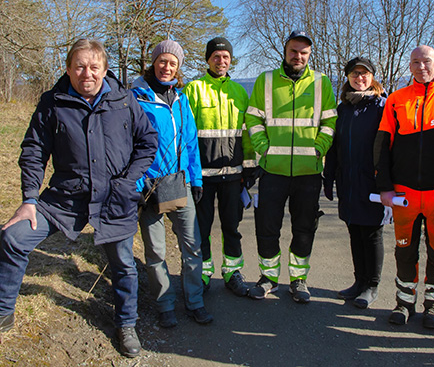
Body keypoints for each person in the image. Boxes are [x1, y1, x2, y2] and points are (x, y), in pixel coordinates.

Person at [0, 39, 158, 358]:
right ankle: (4, 313)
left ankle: (126, 323)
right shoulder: (52, 102)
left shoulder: (124, 100)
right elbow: (33, 151)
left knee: (124, 265)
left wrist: (128, 181)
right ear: (69, 69)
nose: (87, 73)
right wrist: (30, 198)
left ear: (104, 69)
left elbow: (148, 141)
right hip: (65, 200)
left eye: (94, 66)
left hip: (114, 199)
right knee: (12, 238)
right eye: (80, 66)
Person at [374, 45, 434, 329]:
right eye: (415, 62)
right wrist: (385, 187)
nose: (421, 67)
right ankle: (404, 303)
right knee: (404, 250)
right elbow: (381, 147)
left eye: (426, 61)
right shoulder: (396, 100)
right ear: (410, 66)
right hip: (403, 195)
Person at [245, 30, 337, 303]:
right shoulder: (266, 80)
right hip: (273, 171)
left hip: (308, 173)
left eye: (303, 52)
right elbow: (253, 118)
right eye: (294, 51)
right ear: (285, 52)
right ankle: (268, 278)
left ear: (310, 55)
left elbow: (330, 123)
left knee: (305, 228)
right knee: (267, 226)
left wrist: (318, 148)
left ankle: (299, 280)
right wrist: (264, 148)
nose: (298, 56)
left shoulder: (322, 82)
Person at [131, 40, 213, 328]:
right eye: (162, 61)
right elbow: (127, 145)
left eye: (173, 63)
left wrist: (196, 178)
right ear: (153, 62)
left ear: (179, 68)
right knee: (155, 251)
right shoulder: (135, 97)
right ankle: (165, 303)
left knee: (192, 246)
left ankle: (195, 301)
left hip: (180, 182)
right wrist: (138, 184)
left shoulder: (181, 99)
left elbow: (190, 143)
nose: (167, 67)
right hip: (149, 185)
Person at [183, 37, 255, 297]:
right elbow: (186, 135)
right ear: (207, 59)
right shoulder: (194, 89)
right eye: (216, 56)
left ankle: (232, 272)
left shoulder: (238, 92)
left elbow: (246, 133)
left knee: (231, 228)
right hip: (201, 177)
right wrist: (188, 173)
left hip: (233, 176)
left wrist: (249, 168)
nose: (221, 61)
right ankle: (202, 273)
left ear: (230, 60)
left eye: (225, 57)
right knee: (201, 227)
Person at [323, 57, 387, 309]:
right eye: (354, 73)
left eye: (364, 73)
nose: (359, 78)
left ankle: (372, 285)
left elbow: (390, 149)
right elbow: (335, 147)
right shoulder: (343, 109)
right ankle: (358, 281)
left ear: (372, 78)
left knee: (371, 233)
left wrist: (385, 181)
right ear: (347, 77)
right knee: (354, 230)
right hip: (347, 180)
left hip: (372, 181)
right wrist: (329, 178)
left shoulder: (383, 107)